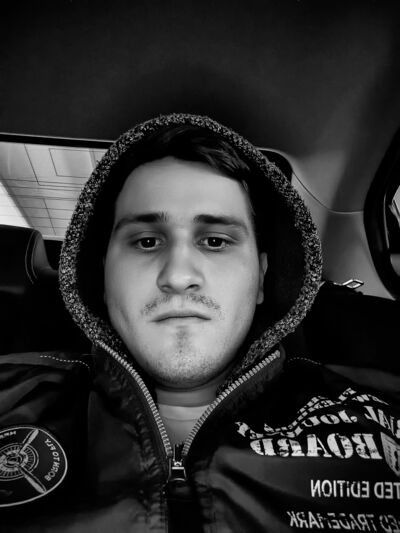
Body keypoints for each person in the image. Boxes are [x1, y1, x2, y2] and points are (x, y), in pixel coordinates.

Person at [0, 113, 399, 532]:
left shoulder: (382, 416)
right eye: (146, 241)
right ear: (103, 277)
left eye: (215, 241)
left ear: (262, 278)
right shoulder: (11, 395)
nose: (177, 276)